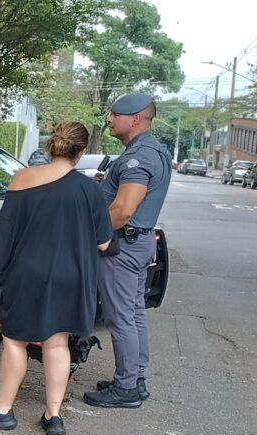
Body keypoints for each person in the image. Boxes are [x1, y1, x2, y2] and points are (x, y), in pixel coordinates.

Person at [0, 122, 112, 435]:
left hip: (29, 273)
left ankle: (2, 411)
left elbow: (3, 234)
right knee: (57, 343)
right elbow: (104, 243)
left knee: (16, 339)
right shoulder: (90, 190)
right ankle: (53, 417)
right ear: (80, 152)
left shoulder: (23, 179)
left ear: (50, 145)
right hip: (72, 276)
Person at [83, 93, 172, 409]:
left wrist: (86, 233)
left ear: (135, 119)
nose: (109, 119)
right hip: (136, 243)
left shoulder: (139, 157)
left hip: (122, 246)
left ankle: (125, 389)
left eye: (115, 115)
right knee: (133, 313)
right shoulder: (147, 151)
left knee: (120, 317)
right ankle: (134, 378)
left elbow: (122, 210)